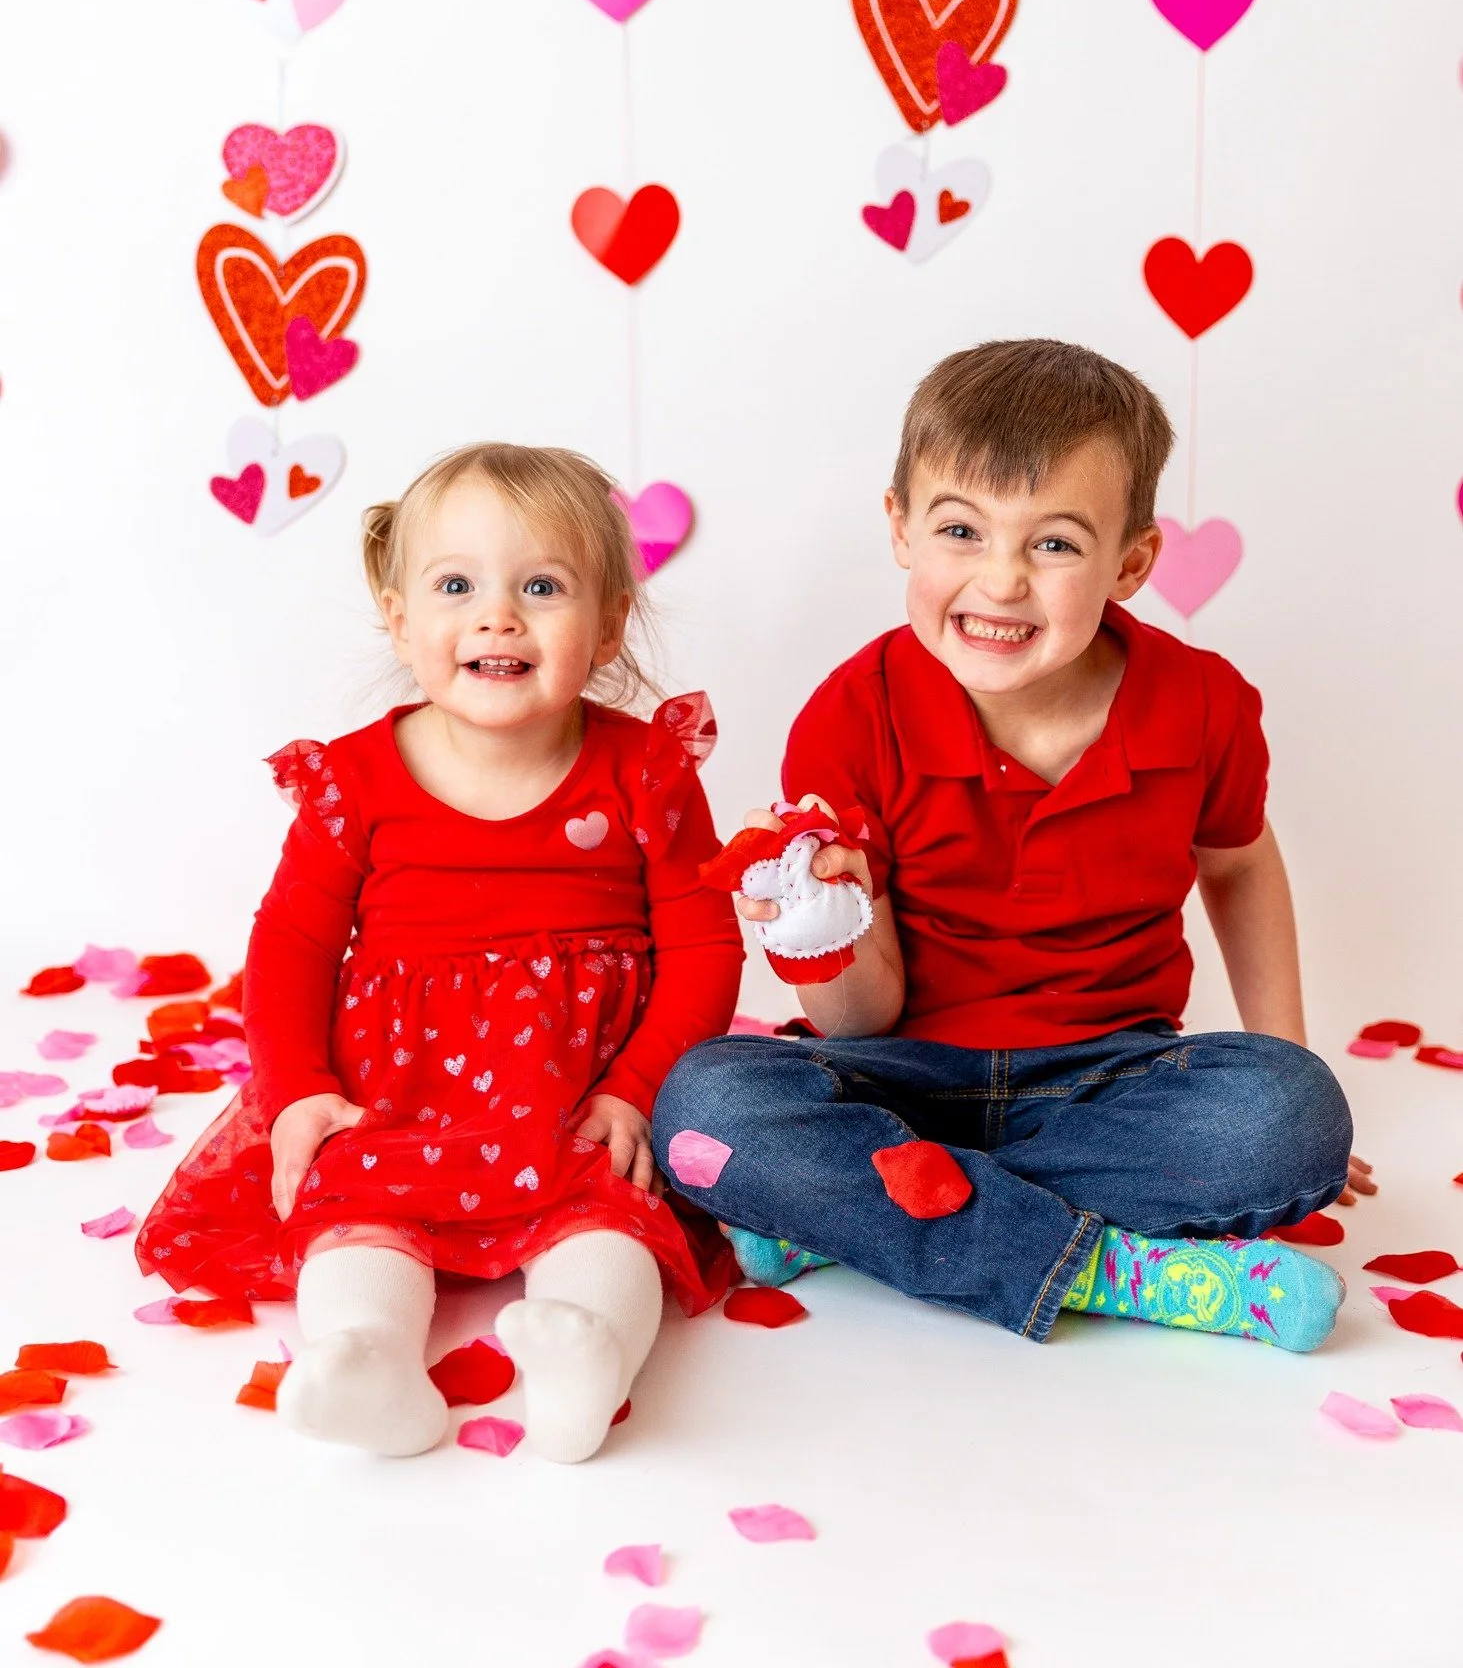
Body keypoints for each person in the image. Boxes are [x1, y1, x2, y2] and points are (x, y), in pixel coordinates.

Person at [654, 339, 1373, 1352]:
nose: (999, 581)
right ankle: (1125, 1272)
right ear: (899, 526)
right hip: (894, 1075)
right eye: (960, 529)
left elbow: (1239, 861)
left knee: (1288, 1114)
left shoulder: (1203, 703)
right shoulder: (851, 714)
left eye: (1054, 545)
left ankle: (858, 1218)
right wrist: (818, 935)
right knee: (704, 1102)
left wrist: (1288, 1050)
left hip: (1104, 1077)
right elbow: (862, 1017)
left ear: (1129, 561)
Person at [136, 443, 742, 1459]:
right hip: (400, 1083)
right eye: (456, 584)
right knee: (352, 1207)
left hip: (580, 1080)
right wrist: (296, 1091)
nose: (496, 615)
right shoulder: (357, 780)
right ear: (400, 617)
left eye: (540, 586)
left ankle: (584, 1350)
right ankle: (366, 1360)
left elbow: (704, 940)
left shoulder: (643, 768)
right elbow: (290, 943)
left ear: (605, 628)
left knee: (611, 1215)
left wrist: (637, 1084)